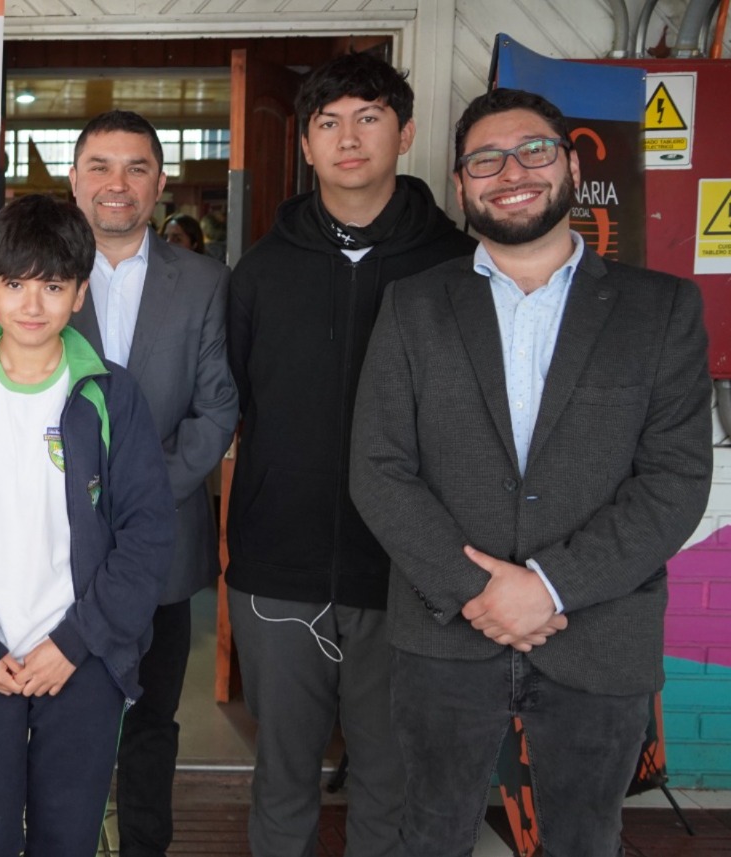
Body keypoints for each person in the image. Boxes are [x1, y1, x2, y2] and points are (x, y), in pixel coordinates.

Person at [349, 87, 713, 856]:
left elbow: (674, 480)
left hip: (598, 630)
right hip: (447, 631)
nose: (510, 171)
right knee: (429, 837)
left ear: (571, 165)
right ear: (461, 185)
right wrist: (482, 590)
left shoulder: (663, 310)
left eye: (534, 150)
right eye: (485, 159)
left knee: (586, 839)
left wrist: (546, 586)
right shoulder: (412, 306)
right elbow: (379, 468)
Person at [224, 52, 477, 857]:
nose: (348, 138)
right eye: (328, 123)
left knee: (392, 782)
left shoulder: (459, 267)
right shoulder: (261, 271)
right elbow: (234, 408)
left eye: (368, 117)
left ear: (405, 132)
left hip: (412, 575)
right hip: (281, 573)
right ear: (304, 145)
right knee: (283, 774)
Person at [0, 193, 174, 856]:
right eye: (15, 284)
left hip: (79, 660)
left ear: (79, 293)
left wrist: (78, 641)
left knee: (67, 839)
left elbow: (146, 534)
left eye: (52, 286)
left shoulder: (110, 392)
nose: (32, 304)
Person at [66, 109, 237, 857]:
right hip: (57, 542)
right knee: (68, 713)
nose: (117, 183)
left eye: (136, 167)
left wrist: (133, 496)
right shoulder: (41, 271)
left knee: (152, 719)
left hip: (162, 544)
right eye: (100, 165)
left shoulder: (203, 282)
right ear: (73, 180)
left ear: (161, 182)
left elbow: (217, 408)